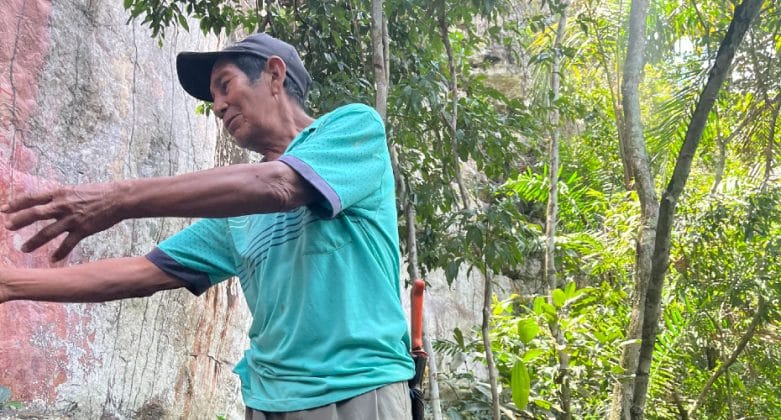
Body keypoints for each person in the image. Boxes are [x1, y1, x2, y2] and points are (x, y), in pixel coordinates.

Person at [0, 33, 414, 419]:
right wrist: (12, 285)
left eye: (225, 85)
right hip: (269, 401)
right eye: (213, 96)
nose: (217, 106)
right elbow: (143, 272)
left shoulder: (354, 129)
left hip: (358, 392)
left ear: (274, 74)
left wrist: (119, 199)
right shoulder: (238, 215)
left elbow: (280, 185)